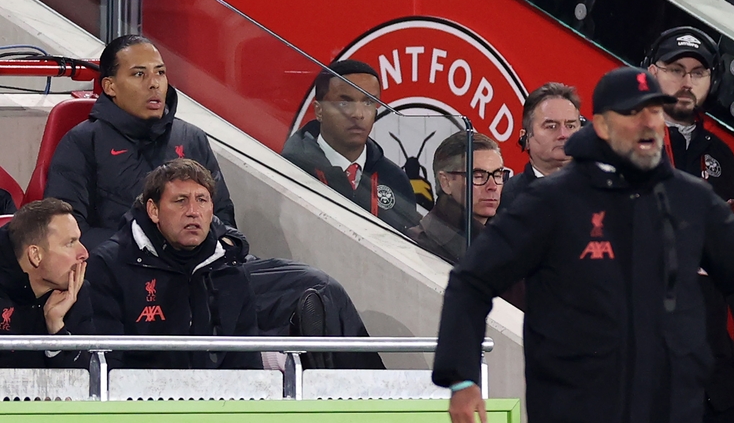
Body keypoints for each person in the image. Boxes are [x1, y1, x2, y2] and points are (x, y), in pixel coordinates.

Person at [432, 67, 734, 423]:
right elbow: (472, 280)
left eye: (654, 110)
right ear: (603, 126)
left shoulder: (692, 200)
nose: (647, 122)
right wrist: (461, 378)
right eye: (632, 112)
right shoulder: (551, 202)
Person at [645, 26, 734, 422]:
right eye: (676, 68)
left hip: (711, 365)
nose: (686, 82)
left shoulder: (721, 156)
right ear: (652, 72)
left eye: (698, 72)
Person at [45, 35, 236, 252]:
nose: (154, 83)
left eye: (160, 73)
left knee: (281, 274)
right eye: (139, 74)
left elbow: (223, 216)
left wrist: (225, 247)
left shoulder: (192, 138)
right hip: (119, 272)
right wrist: (145, 252)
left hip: (195, 270)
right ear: (110, 86)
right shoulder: (82, 142)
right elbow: (67, 230)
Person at [86, 159, 261, 370]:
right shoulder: (109, 266)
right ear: (153, 210)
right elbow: (106, 365)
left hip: (216, 399)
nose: (193, 211)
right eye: (180, 201)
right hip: (136, 398)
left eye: (202, 200)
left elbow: (246, 366)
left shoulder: (229, 269)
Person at [282, 60, 419, 233]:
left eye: (368, 102)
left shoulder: (395, 180)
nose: (358, 114)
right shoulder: (291, 169)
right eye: (344, 103)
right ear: (319, 110)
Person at [407, 131, 524, 309]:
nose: (492, 187)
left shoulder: (514, 240)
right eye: (478, 176)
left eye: (498, 175)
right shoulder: (420, 244)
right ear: (445, 182)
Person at [0, 198, 92, 368]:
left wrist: (56, 327)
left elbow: (83, 385)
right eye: (70, 243)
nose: (84, 253)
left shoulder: (76, 291)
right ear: (35, 255)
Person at [499, 82, 581, 213]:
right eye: (551, 126)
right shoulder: (505, 200)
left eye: (570, 126)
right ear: (525, 138)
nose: (564, 135)